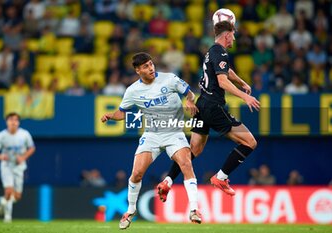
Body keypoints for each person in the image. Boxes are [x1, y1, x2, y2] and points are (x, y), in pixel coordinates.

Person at [157, 20, 260, 201]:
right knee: (249, 142)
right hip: (213, 106)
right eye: (233, 35)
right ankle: (221, 177)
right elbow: (222, 81)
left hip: (202, 104)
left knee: (194, 150)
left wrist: (242, 82)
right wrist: (245, 97)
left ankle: (167, 181)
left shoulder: (212, 51)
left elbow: (225, 71)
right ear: (227, 34)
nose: (234, 39)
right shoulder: (220, 51)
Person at [101, 52, 202, 229]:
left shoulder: (169, 79)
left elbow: (190, 94)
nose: (151, 68)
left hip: (174, 132)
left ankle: (194, 209)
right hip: (152, 134)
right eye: (146, 66)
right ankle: (131, 210)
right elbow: (121, 113)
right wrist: (111, 116)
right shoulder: (132, 91)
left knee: (186, 164)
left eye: (151, 64)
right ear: (138, 70)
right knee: (137, 173)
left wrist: (190, 101)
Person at [0, 112, 36, 223]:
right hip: (7, 166)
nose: (13, 122)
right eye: (11, 120)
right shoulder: (1, 136)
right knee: (9, 190)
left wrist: (23, 157)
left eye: (16, 120)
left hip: (19, 167)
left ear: (18, 122)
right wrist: (1, 156)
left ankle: (3, 202)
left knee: (17, 196)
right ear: (7, 122)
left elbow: (32, 148)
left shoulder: (25, 134)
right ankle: (7, 216)